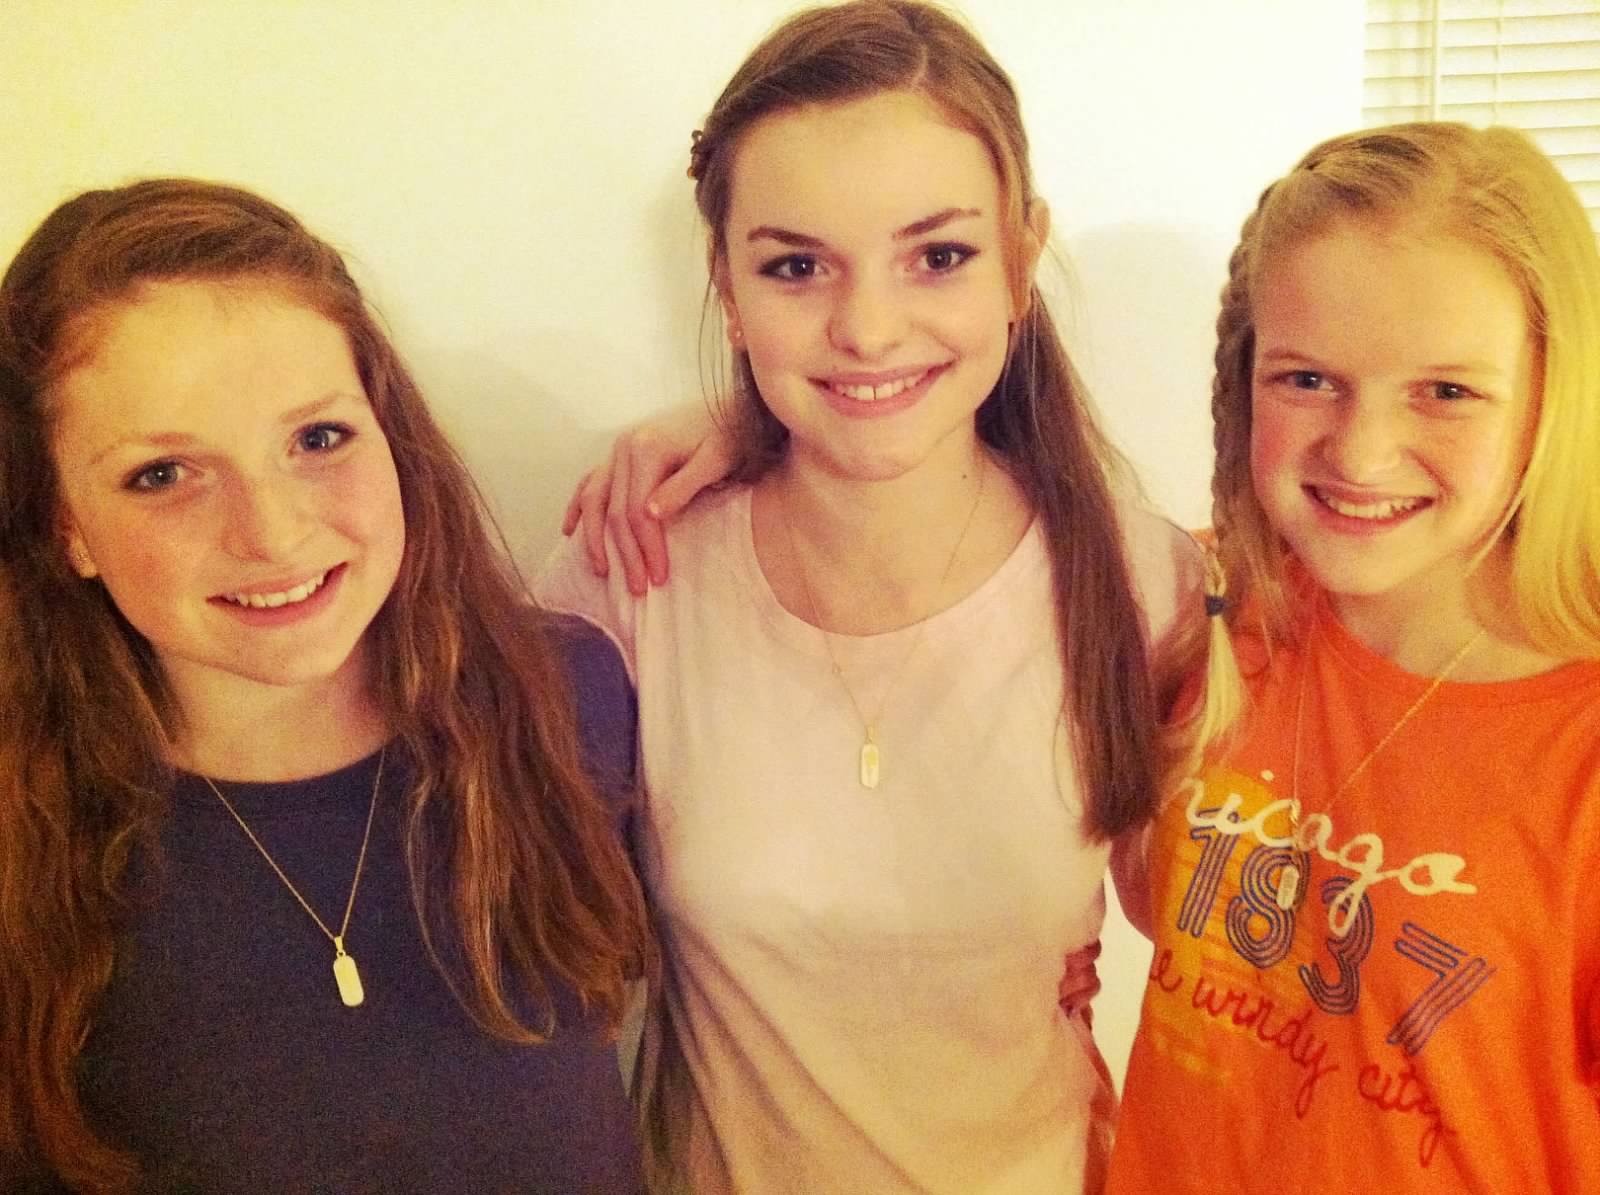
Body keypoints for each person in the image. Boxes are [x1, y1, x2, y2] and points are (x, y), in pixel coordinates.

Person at [536, 2, 1197, 1191]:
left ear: (1018, 261)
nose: (867, 327)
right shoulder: (627, 574)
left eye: (936, 255)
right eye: (796, 265)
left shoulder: (1144, 583)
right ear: (727, 286)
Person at [0, 180, 651, 1192]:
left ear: (390, 435)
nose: (273, 532)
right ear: (62, 524)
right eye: (163, 474)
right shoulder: (23, 853)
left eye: (317, 438)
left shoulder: (566, 696)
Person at [1104, 123, 1600, 1190]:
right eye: (1307, 380)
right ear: (1243, 381)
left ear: (1552, 397)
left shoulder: (1578, 751)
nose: (1361, 449)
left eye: (1447, 391)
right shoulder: (1204, 618)